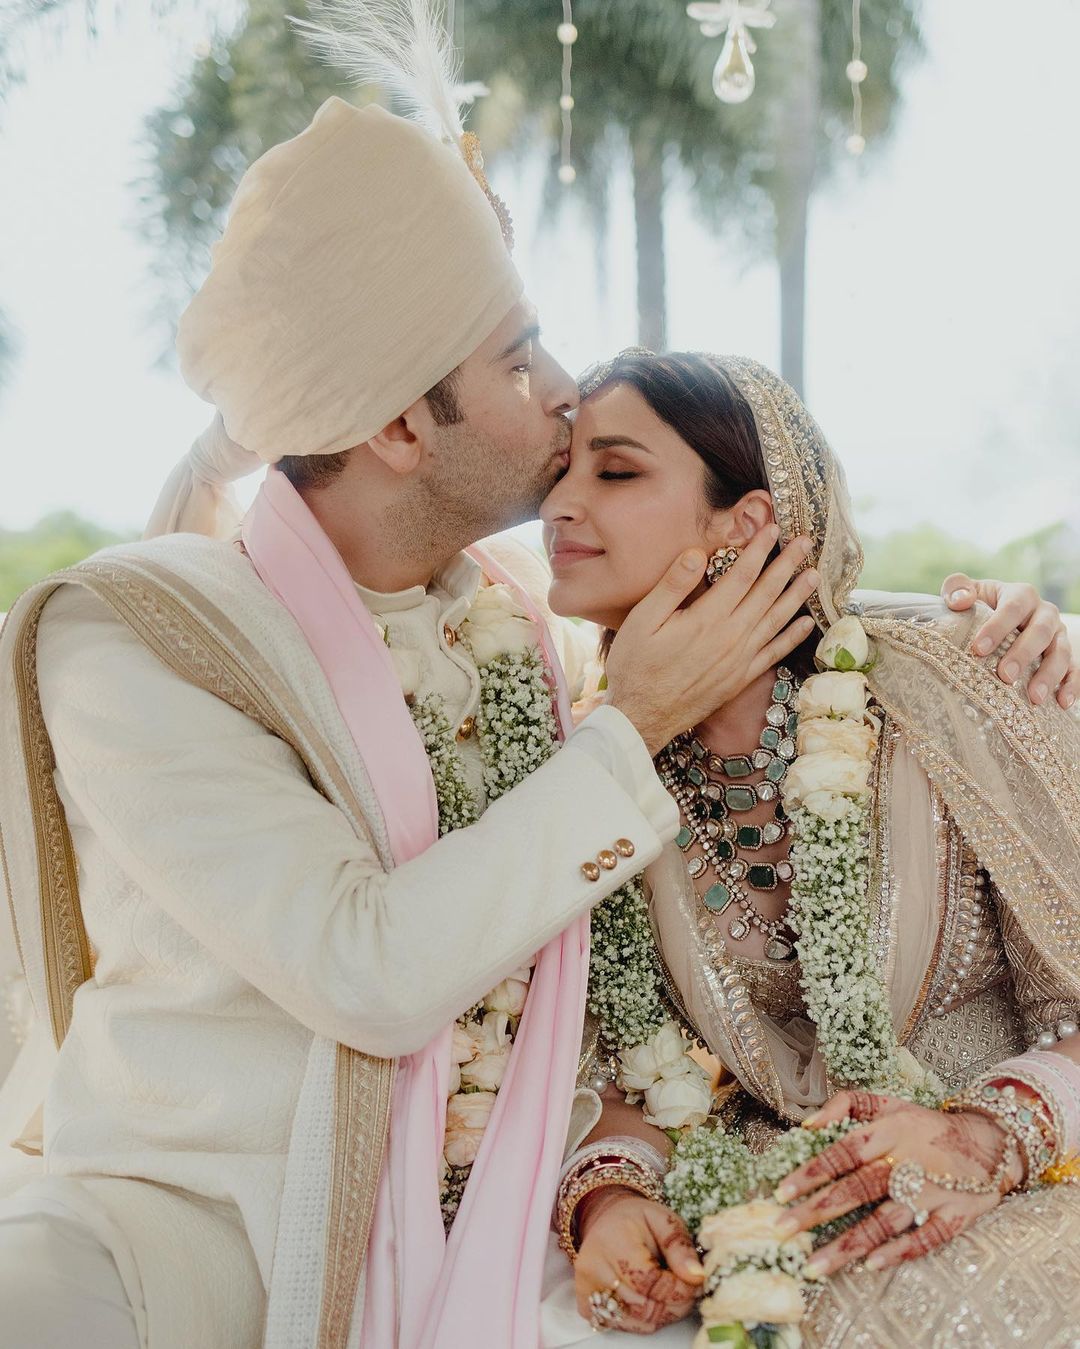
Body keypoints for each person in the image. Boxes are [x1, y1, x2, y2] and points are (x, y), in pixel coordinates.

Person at [0, 5, 1072, 1343]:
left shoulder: (508, 629)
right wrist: (638, 723)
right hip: (203, 1231)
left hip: (505, 1230)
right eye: (519, 359)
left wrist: (1014, 635)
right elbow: (380, 966)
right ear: (401, 425)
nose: (562, 394)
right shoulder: (144, 643)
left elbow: (787, 635)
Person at [537, 349, 1080, 1346]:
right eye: (558, 471)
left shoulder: (949, 685)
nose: (560, 505)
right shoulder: (599, 770)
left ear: (744, 524)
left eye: (613, 472)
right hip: (776, 1193)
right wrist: (609, 1203)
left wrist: (986, 1134)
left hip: (1021, 1167)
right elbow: (625, 1064)